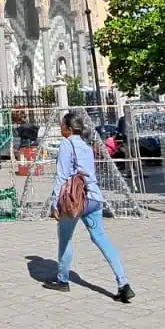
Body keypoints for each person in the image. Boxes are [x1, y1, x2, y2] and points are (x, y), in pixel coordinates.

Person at [44, 111, 134, 303]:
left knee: (65, 239)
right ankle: (123, 283)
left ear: (68, 129)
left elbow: (62, 176)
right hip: (94, 197)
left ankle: (63, 279)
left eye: (62, 125)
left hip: (76, 199)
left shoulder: (67, 144)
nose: (60, 129)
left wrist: (54, 203)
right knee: (101, 238)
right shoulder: (86, 146)